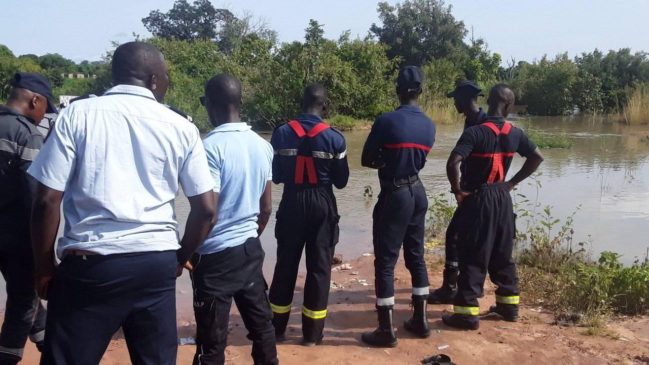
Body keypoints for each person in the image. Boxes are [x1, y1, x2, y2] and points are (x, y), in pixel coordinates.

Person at [28, 42, 217, 364]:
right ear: (154, 80)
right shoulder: (182, 127)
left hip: (92, 265)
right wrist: (179, 257)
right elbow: (207, 209)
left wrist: (44, 267)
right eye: (167, 76)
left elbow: (47, 199)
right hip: (154, 265)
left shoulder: (78, 114)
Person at [191, 74, 278, 365]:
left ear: (209, 105)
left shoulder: (208, 148)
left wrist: (185, 252)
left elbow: (207, 212)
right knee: (262, 327)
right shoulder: (262, 145)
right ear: (240, 103)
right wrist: (250, 235)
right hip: (249, 250)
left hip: (215, 257)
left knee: (211, 340)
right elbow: (265, 208)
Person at [441, 84, 544, 330]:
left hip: (479, 197)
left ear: (489, 102)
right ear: (508, 106)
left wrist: (458, 191)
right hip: (502, 196)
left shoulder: (476, 132)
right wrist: (511, 183)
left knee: (473, 253)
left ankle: (466, 314)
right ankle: (509, 307)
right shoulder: (515, 133)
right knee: (502, 251)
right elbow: (537, 157)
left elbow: (453, 162)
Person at [360, 66, 436, 347]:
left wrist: (386, 161)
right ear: (421, 91)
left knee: (386, 262)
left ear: (397, 90)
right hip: (418, 192)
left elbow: (367, 159)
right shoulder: (430, 125)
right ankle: (421, 321)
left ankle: (385, 330)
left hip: (395, 194)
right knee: (416, 256)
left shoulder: (386, 121)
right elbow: (421, 160)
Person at [268, 84, 349, 346]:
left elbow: (277, 177)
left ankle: (277, 328)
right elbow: (342, 181)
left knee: (285, 266)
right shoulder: (335, 138)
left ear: (301, 103)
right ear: (324, 106)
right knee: (319, 269)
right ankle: (312, 335)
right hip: (322, 203)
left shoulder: (281, 134)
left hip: (292, 201)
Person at [0, 72, 56, 364]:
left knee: (30, 301)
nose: (44, 114)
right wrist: (44, 251)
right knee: (23, 301)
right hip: (17, 238)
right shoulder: (27, 133)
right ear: (35, 100)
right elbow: (37, 197)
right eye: (45, 106)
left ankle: (51, 348)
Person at [429, 80, 488, 305]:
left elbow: (455, 162)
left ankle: (453, 288)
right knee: (464, 239)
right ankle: (466, 285)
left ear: (464, 98)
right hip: (471, 189)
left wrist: (458, 191)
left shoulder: (481, 123)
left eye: (456, 98)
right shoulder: (471, 121)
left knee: (456, 237)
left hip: (475, 192)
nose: (454, 102)